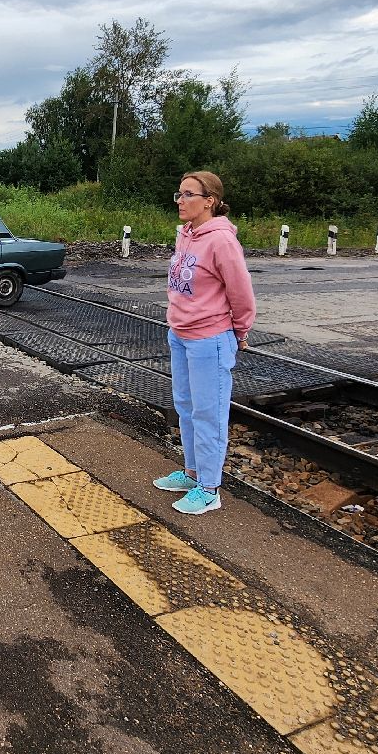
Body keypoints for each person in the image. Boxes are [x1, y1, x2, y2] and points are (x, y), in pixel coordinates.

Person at [154, 170, 256, 515]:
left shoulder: (222, 240)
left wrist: (240, 332)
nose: (180, 201)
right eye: (178, 194)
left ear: (209, 201)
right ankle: (192, 472)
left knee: (208, 412)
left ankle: (209, 489)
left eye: (188, 195)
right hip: (180, 335)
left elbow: (241, 293)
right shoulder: (187, 234)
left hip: (209, 339)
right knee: (185, 406)